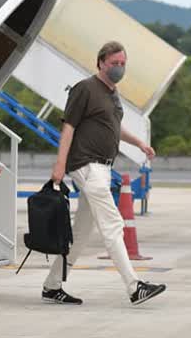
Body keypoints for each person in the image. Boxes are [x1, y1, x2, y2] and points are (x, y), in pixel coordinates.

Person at [42, 41, 167, 306]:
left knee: (81, 234)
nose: (119, 68)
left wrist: (140, 144)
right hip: (86, 165)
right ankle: (135, 287)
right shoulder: (85, 89)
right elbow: (69, 127)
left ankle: (52, 286)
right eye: (114, 64)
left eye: (122, 64)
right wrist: (60, 165)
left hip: (102, 166)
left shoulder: (112, 93)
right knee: (113, 225)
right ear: (100, 62)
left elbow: (113, 127)